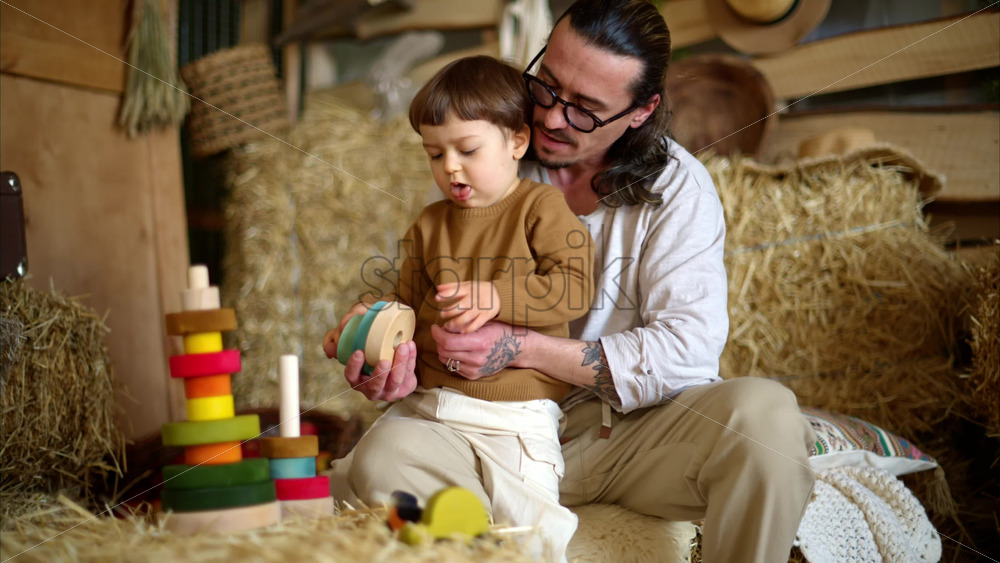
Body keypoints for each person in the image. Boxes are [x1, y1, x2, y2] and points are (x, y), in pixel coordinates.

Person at [327, 1, 817, 561]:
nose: (554, 118)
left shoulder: (679, 189)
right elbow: (424, 299)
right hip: (481, 426)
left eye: (586, 109)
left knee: (768, 420)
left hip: (623, 438)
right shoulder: (488, 153)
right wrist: (392, 363)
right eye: (548, 85)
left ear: (641, 110)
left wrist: (525, 348)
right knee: (380, 460)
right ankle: (484, 545)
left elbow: (687, 354)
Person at [323, 55, 594, 561]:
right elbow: (403, 300)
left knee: (533, 537)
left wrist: (498, 295)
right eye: (434, 154)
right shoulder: (430, 224)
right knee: (354, 482)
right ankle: (454, 532)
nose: (449, 167)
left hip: (513, 419)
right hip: (430, 408)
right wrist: (365, 323)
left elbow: (575, 285)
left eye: (467, 149)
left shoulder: (540, 208)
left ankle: (477, 536)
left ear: (517, 141)